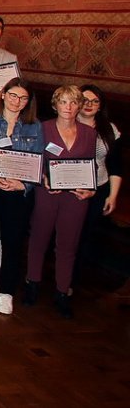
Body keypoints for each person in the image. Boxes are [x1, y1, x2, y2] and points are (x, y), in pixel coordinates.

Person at [25, 85, 100, 319]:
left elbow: (92, 166)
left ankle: (62, 292)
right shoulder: (42, 128)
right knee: (39, 238)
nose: (68, 107)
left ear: (79, 106)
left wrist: (91, 189)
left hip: (76, 196)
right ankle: (32, 284)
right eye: (64, 102)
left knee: (68, 245)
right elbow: (32, 159)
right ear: (55, 105)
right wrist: (43, 178)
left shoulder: (89, 133)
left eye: (73, 102)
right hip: (47, 192)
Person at [0, 78, 42, 315]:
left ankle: (7, 292)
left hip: (17, 194)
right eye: (13, 95)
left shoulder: (35, 127)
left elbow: (39, 163)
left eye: (23, 98)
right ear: (3, 94)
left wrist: (22, 184)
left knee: (13, 243)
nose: (17, 101)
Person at [74, 84, 123, 284]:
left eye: (95, 101)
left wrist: (112, 195)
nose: (89, 105)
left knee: (85, 234)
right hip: (69, 187)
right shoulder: (65, 122)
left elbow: (116, 165)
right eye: (85, 100)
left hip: (98, 187)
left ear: (100, 105)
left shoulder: (109, 129)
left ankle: (73, 279)